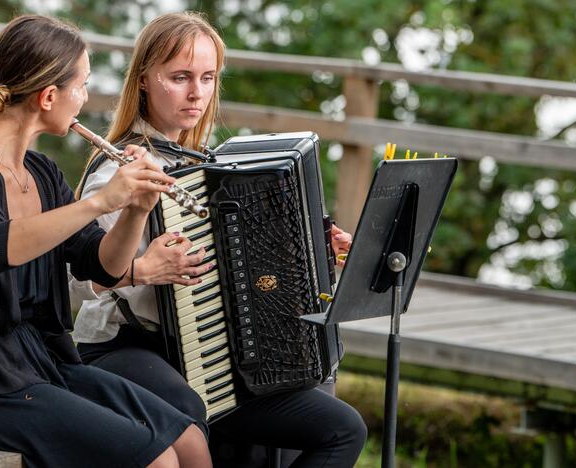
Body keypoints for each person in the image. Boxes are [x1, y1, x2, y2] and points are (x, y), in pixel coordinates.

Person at [70, 12, 368, 468]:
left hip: (208, 349)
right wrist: (141, 269)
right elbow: (76, 285)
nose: (197, 92)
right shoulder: (116, 170)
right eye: (180, 77)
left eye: (208, 77)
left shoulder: (206, 163)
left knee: (342, 427)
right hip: (127, 346)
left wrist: (311, 256)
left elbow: (242, 266)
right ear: (144, 80)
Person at [0, 14, 212, 468]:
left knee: (190, 441)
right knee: (157, 461)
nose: (86, 99)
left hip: (45, 365)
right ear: (49, 96)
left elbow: (104, 265)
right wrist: (99, 202)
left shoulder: (42, 172)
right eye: (83, 85)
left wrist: (135, 208)